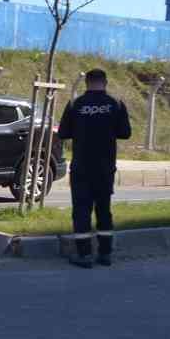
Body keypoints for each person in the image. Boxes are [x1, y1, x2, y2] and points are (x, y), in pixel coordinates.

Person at [56, 69, 131, 267]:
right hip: (105, 167)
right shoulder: (116, 104)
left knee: (81, 210)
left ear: (86, 83)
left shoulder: (75, 104)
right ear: (105, 83)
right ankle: (105, 254)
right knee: (104, 209)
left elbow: (63, 133)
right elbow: (125, 133)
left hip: (82, 166)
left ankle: (84, 255)